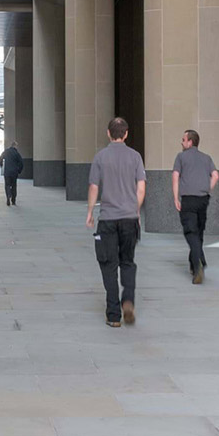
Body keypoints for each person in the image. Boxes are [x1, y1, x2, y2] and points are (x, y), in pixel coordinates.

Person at [86, 117, 146, 327]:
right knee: (127, 262)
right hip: (130, 218)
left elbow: (94, 186)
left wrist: (90, 211)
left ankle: (113, 315)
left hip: (108, 219)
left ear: (108, 133)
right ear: (126, 133)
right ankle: (127, 300)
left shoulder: (101, 157)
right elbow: (141, 188)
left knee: (108, 264)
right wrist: (135, 210)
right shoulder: (136, 157)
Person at [173, 128, 219, 284]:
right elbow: (216, 175)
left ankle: (199, 263)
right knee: (199, 231)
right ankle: (195, 263)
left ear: (190, 142)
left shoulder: (181, 157)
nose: (182, 142)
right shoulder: (206, 158)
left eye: (184, 139)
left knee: (191, 232)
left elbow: (175, 177)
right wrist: (207, 188)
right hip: (203, 199)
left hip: (188, 199)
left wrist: (175, 198)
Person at [0, 140, 24, 205]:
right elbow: (21, 163)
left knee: (7, 185)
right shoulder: (16, 153)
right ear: (15, 146)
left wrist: (1, 165)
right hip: (14, 173)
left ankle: (8, 197)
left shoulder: (6, 151)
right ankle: (13, 200)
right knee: (14, 186)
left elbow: (0, 159)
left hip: (7, 172)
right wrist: (19, 170)